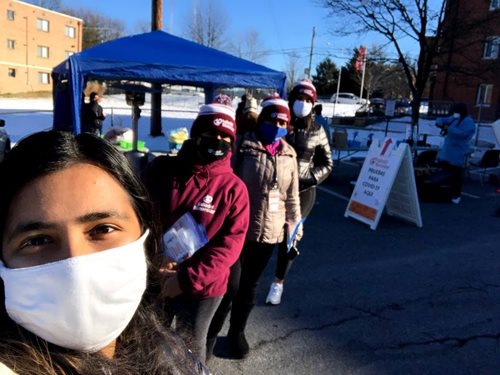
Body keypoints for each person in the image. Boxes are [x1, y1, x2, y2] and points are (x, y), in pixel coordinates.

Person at [0, 130, 206, 374]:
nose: (75, 263)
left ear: (144, 238)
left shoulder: (170, 351)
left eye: (103, 229)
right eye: (37, 240)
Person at [143, 100, 250, 364]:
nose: (218, 140)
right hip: (159, 273)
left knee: (190, 348)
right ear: (196, 134)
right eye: (212, 133)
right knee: (151, 339)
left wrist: (185, 280)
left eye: (226, 136)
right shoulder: (163, 170)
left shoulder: (234, 189)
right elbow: (139, 214)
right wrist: (154, 258)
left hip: (204, 286)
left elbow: (229, 247)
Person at [217, 94, 302, 359]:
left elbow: (292, 196)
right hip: (239, 230)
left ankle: (236, 332)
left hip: (270, 233)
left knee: (250, 287)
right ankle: (209, 333)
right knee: (230, 285)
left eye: (283, 122)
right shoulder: (244, 146)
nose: (278, 125)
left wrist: (295, 227)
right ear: (262, 119)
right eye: (273, 119)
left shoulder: (289, 153)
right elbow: (226, 182)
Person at [264, 79, 333, 306]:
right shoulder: (282, 123)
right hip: (276, 190)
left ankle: (278, 283)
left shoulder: (317, 130)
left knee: (288, 237)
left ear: (313, 104)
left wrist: (309, 177)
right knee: (266, 231)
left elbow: (328, 163)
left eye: (307, 100)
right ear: (291, 99)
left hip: (303, 192)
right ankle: (252, 277)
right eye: (299, 99)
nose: (302, 104)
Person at [435, 102, 476, 204]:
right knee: (444, 172)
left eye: (457, 111)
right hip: (447, 151)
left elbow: (462, 134)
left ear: (462, 111)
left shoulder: (469, 122)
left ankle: (456, 195)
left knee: (456, 175)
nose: (455, 113)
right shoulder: (454, 118)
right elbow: (443, 120)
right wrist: (439, 122)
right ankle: (444, 192)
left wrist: (448, 128)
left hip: (458, 152)